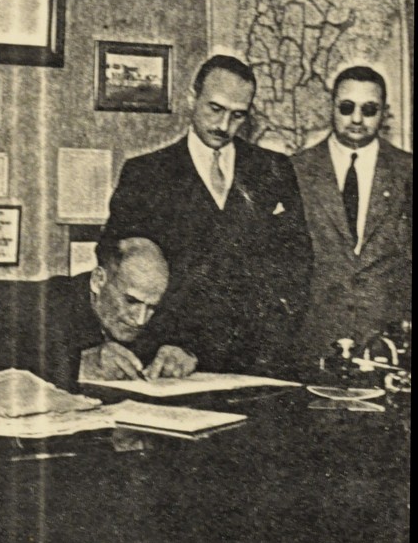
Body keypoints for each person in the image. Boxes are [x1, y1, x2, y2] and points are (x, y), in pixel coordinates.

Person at [103, 55, 313, 375]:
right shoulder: (145, 174)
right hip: (168, 362)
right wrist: (174, 344)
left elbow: (297, 263)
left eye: (238, 115)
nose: (223, 126)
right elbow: (120, 270)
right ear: (192, 98)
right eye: (215, 109)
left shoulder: (274, 169)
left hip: (252, 361)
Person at [292, 66, 412, 365]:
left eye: (369, 110)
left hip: (388, 350)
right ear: (331, 106)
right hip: (312, 349)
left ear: (384, 113)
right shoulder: (295, 171)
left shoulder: (406, 171)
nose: (357, 119)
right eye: (346, 107)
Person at [40, 236, 197, 387]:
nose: (140, 320)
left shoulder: (162, 313)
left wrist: (186, 356)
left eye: (152, 307)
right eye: (131, 301)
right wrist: (77, 366)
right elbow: (28, 357)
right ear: (98, 280)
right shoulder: (44, 303)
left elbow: (193, 342)